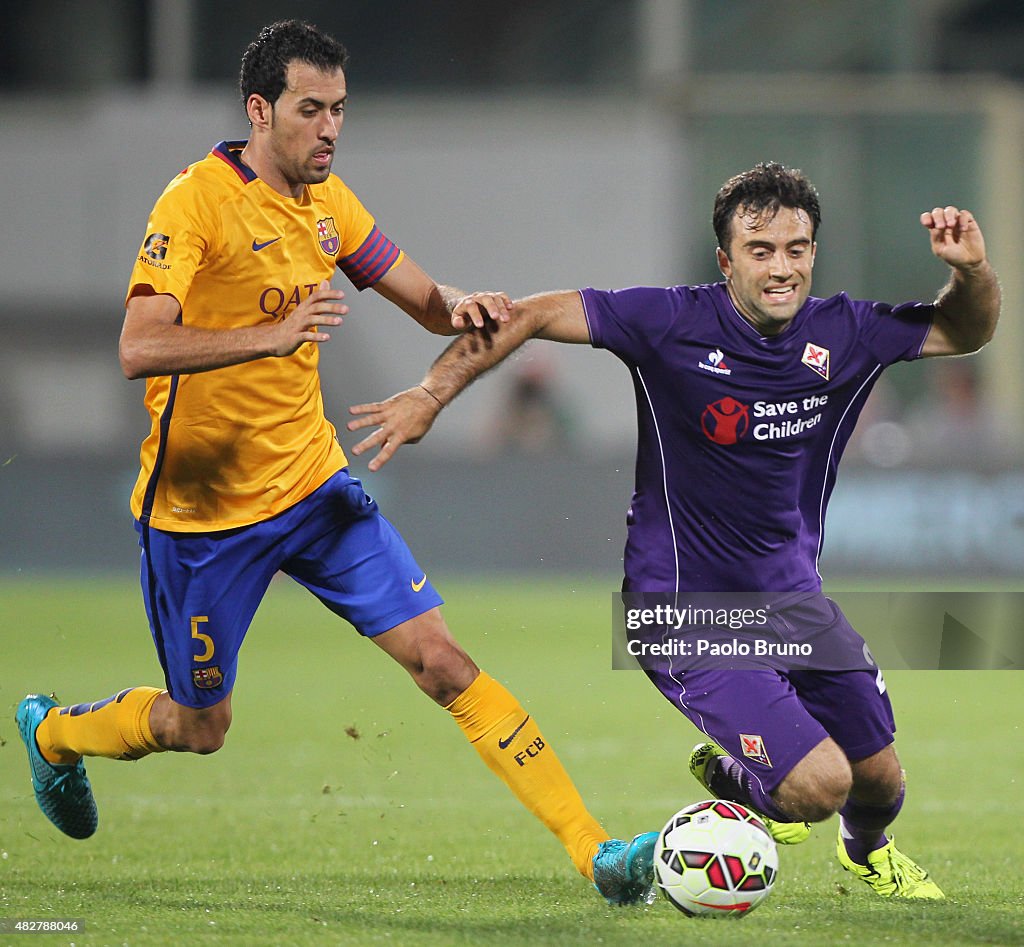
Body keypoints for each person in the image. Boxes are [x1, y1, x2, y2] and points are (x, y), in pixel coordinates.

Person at [14, 19, 658, 906]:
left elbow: (425, 302)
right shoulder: (194, 202)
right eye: (310, 110)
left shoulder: (329, 206)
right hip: (202, 519)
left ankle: (597, 853)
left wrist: (465, 304)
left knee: (443, 661)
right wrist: (269, 335)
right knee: (200, 726)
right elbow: (138, 344)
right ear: (258, 109)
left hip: (316, 490)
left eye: (340, 110)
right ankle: (55, 735)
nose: (329, 128)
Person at [347, 162, 1001, 900]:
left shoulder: (845, 331)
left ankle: (865, 850)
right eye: (761, 250)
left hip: (793, 603)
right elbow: (528, 313)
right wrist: (433, 392)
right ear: (725, 260)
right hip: (683, 611)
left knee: (879, 779)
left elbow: (964, 330)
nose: (782, 267)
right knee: (820, 786)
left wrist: (972, 271)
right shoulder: (667, 323)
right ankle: (734, 789)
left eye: (796, 248)